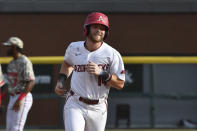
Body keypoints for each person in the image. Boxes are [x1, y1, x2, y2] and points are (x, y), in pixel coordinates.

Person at [55, 12, 125, 131]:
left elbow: (120, 84)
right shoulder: (74, 48)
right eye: (95, 26)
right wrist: (61, 80)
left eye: (103, 28)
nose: (99, 30)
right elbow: (67, 63)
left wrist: (103, 73)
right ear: (87, 29)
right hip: (75, 102)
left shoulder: (112, 54)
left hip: (98, 107)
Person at [2, 37, 35, 131]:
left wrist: (20, 99)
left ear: (14, 47)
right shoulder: (11, 63)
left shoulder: (25, 61)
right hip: (13, 97)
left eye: (8, 46)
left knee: (17, 128)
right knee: (9, 129)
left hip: (22, 97)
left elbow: (31, 82)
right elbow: (10, 84)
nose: (6, 48)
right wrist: (1, 97)